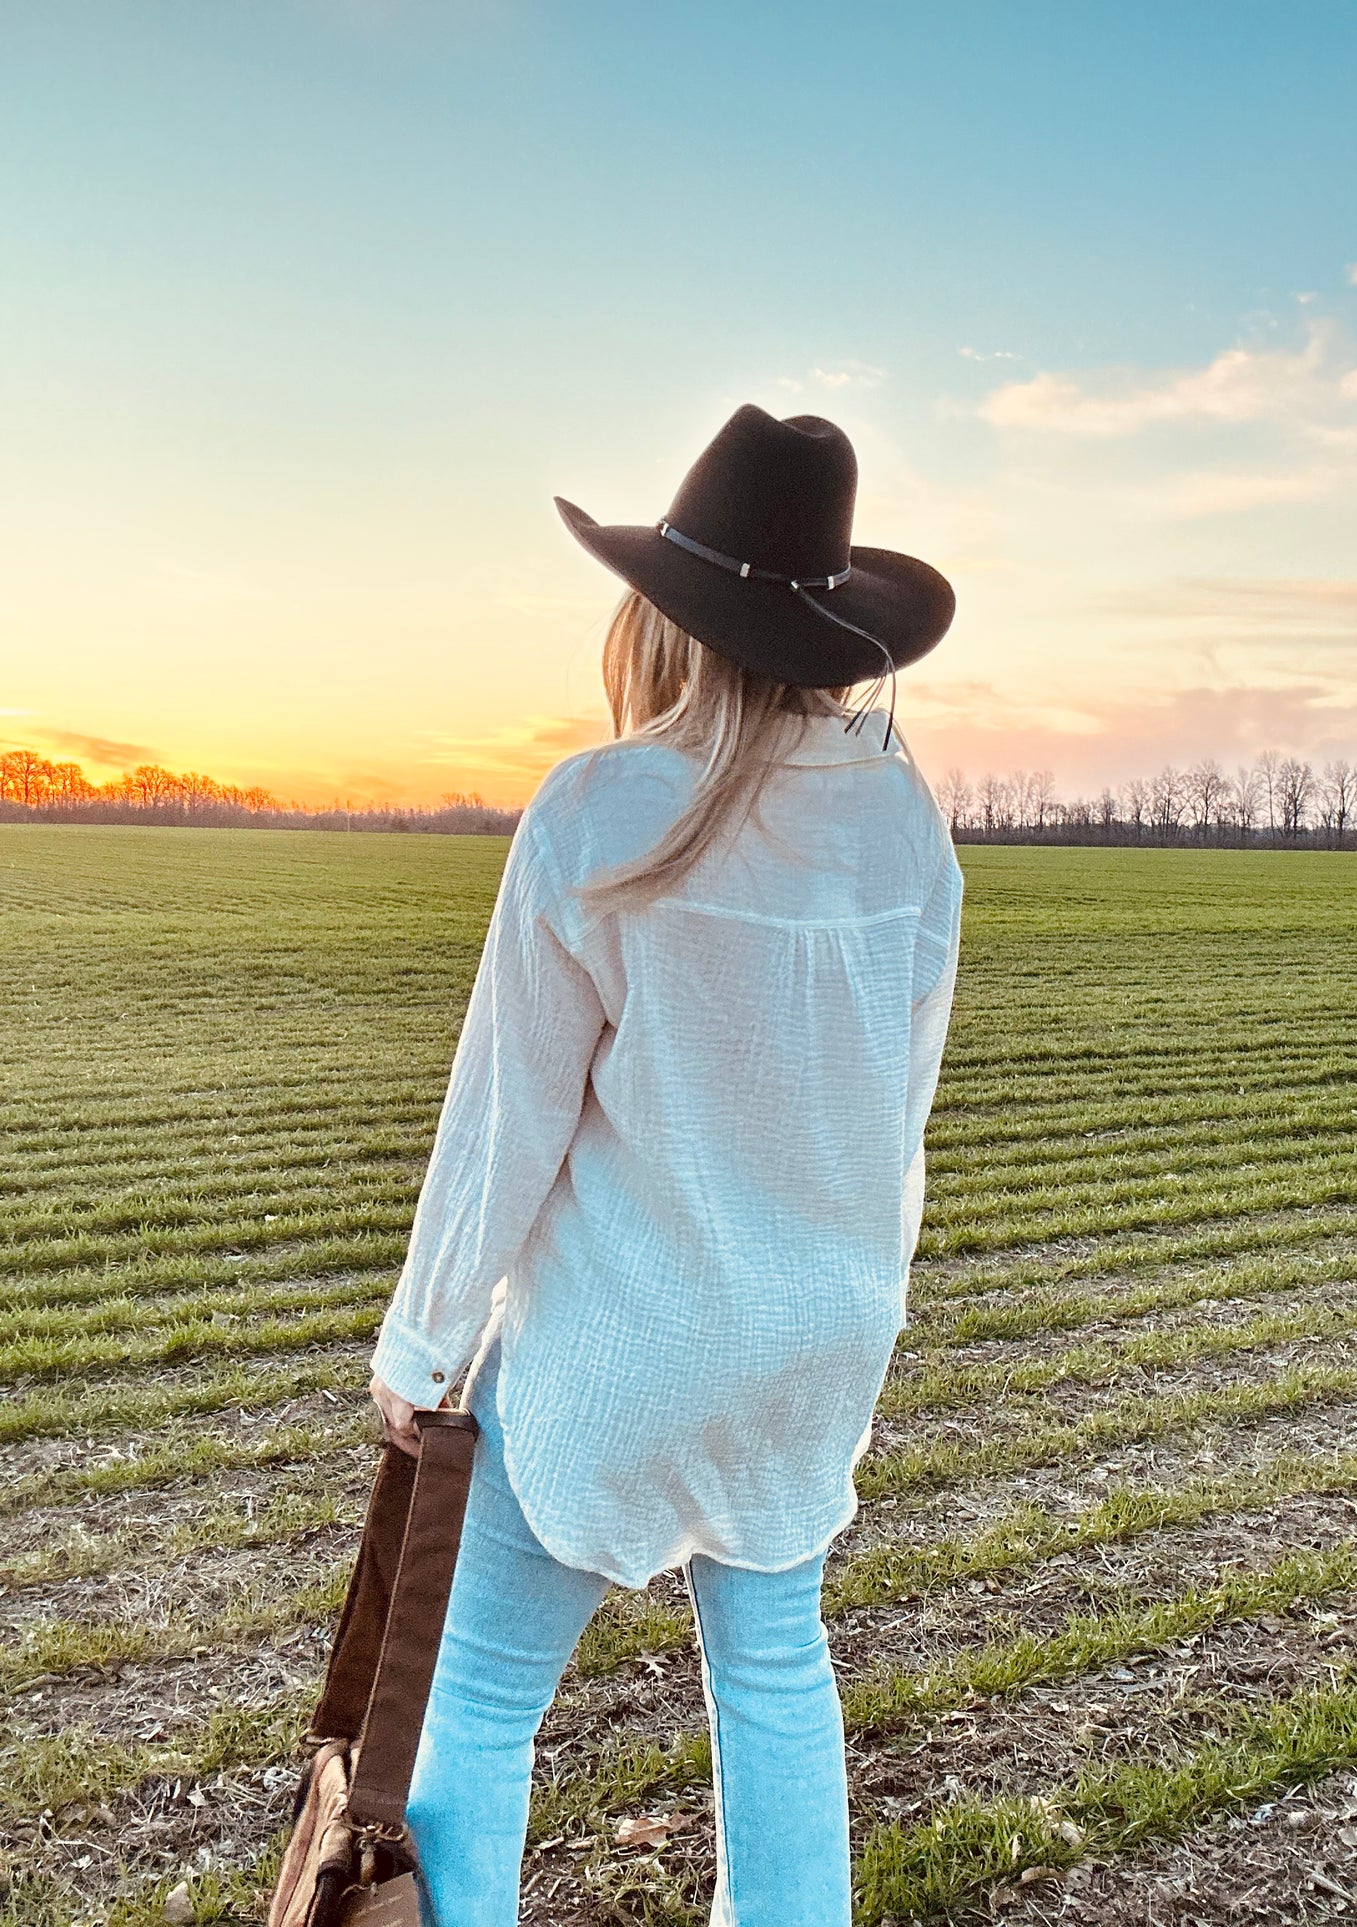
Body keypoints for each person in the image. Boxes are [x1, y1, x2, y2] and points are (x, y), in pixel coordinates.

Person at [367, 402, 964, 1927]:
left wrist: (425, 1344)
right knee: (775, 1681)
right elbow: (893, 1127)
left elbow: (506, 1111)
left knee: (480, 1706)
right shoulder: (903, 824)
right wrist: (853, 1319)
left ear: (662, 618)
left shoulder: (598, 806)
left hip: (621, 1342)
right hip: (813, 1336)